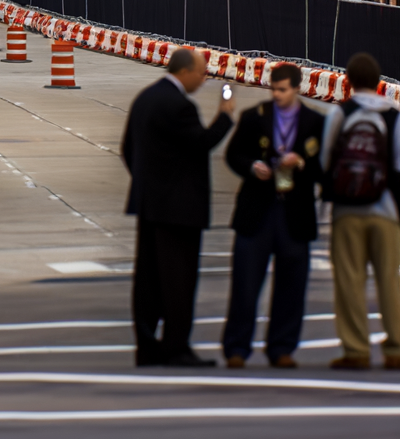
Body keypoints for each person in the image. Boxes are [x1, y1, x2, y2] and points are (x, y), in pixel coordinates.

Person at [122, 47, 235, 367]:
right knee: (178, 280)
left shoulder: (145, 98)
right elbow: (202, 143)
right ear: (184, 71)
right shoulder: (179, 106)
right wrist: (225, 116)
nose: (204, 79)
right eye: (202, 73)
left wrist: (149, 184)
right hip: (179, 208)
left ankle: (146, 345)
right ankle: (176, 347)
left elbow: (128, 149)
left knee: (148, 278)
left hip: (150, 204)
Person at [222, 62, 324, 368]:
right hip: (259, 209)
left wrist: (302, 164)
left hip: (295, 211)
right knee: (245, 282)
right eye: (273, 89)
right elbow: (233, 154)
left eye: (282, 90)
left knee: (292, 285)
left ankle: (282, 348)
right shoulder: (255, 117)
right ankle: (237, 348)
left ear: (296, 88)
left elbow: (324, 168)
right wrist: (253, 167)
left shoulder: (315, 122)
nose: (277, 95)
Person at [321, 52, 400, 370]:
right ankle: (396, 346)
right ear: (379, 81)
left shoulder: (341, 114)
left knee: (350, 279)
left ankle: (356, 349)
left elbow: (326, 160)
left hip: (347, 210)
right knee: (389, 280)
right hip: (386, 210)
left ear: (349, 81)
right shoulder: (394, 115)